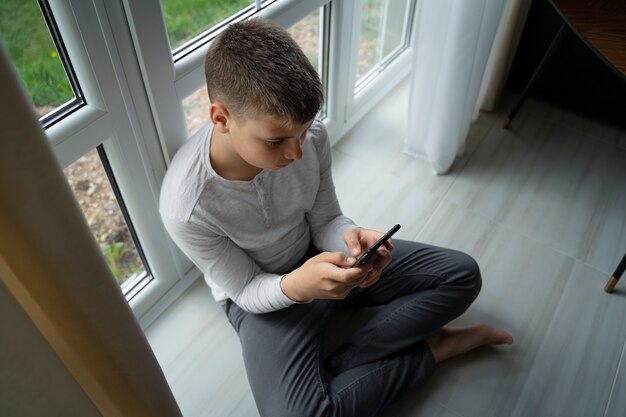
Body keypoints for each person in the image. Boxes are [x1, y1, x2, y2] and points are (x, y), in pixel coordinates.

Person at [159, 18, 513, 417]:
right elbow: (244, 291)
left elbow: (326, 218)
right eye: (276, 141)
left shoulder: (311, 140)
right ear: (221, 118)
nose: (296, 153)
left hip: (320, 255)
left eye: (304, 131)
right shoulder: (186, 206)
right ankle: (434, 349)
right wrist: (300, 285)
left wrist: (352, 238)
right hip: (262, 296)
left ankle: (346, 362)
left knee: (462, 274)